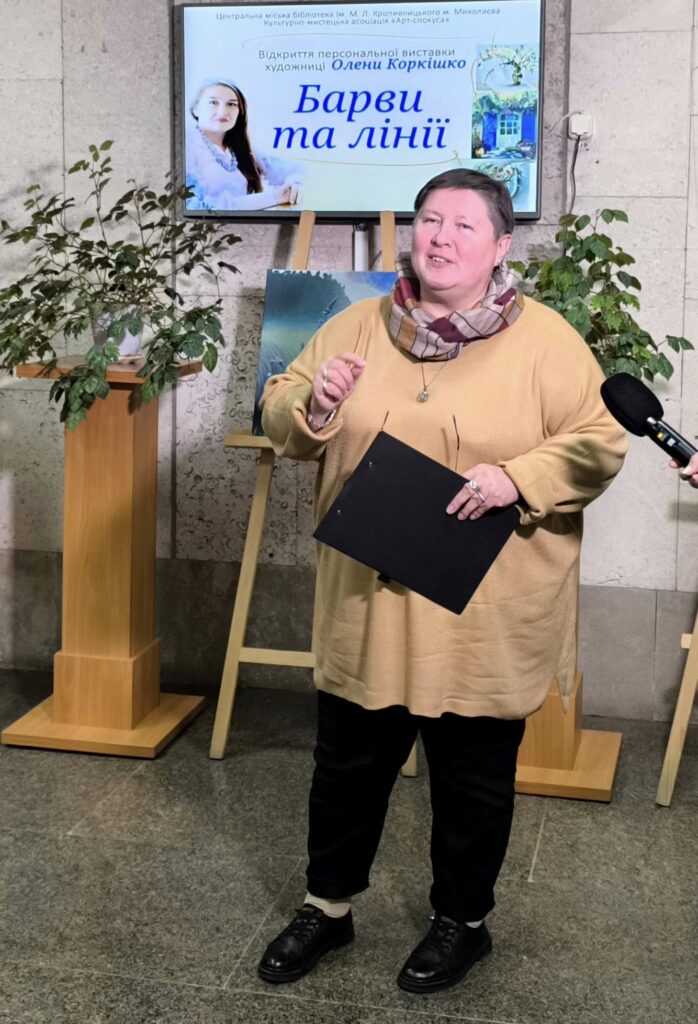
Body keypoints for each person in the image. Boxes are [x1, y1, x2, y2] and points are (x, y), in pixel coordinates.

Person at [257, 169, 627, 993]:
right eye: (430, 220)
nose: (441, 237)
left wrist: (519, 477)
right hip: (370, 597)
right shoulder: (356, 323)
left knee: (472, 778)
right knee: (347, 766)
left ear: (500, 246)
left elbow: (600, 440)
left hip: (482, 607)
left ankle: (463, 921)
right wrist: (314, 404)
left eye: (464, 225)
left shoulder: (548, 340)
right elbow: (283, 408)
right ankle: (327, 906)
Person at [185, 79, 302, 212]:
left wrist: (295, 183)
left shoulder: (236, 147)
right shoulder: (185, 148)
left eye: (231, 104)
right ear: (196, 109)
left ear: (239, 112)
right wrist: (274, 197)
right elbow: (203, 207)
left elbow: (292, 169)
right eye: (213, 103)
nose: (223, 112)